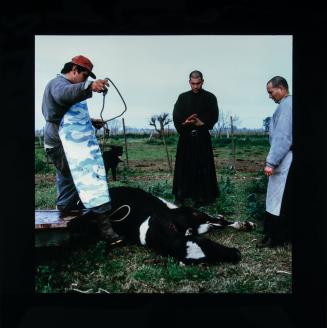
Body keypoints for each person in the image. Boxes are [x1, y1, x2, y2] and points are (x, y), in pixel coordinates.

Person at [42, 55, 123, 246]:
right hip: (60, 144)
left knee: (68, 182)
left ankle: (69, 226)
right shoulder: (57, 84)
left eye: (88, 79)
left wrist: (89, 122)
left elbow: (66, 111)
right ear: (74, 70)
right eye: (85, 76)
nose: (86, 81)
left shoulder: (68, 86)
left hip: (69, 144)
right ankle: (105, 230)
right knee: (87, 177)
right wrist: (89, 87)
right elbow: (64, 95)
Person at [172, 70, 219, 207]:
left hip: (202, 138)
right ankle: (180, 196)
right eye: (193, 84)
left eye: (198, 83)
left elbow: (214, 116)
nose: (196, 87)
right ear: (189, 82)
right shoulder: (182, 97)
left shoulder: (210, 97)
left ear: (202, 82)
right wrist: (184, 123)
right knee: (183, 167)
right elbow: (176, 116)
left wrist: (201, 122)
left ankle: (202, 197)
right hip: (186, 138)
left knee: (203, 167)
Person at [256, 76, 293, 248]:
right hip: (285, 157)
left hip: (285, 158)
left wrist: (271, 162)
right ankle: (276, 235)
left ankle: (275, 237)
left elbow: (282, 137)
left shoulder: (287, 106)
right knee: (280, 198)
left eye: (271, 92)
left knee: (278, 199)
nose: (270, 96)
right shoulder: (287, 105)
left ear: (281, 88)